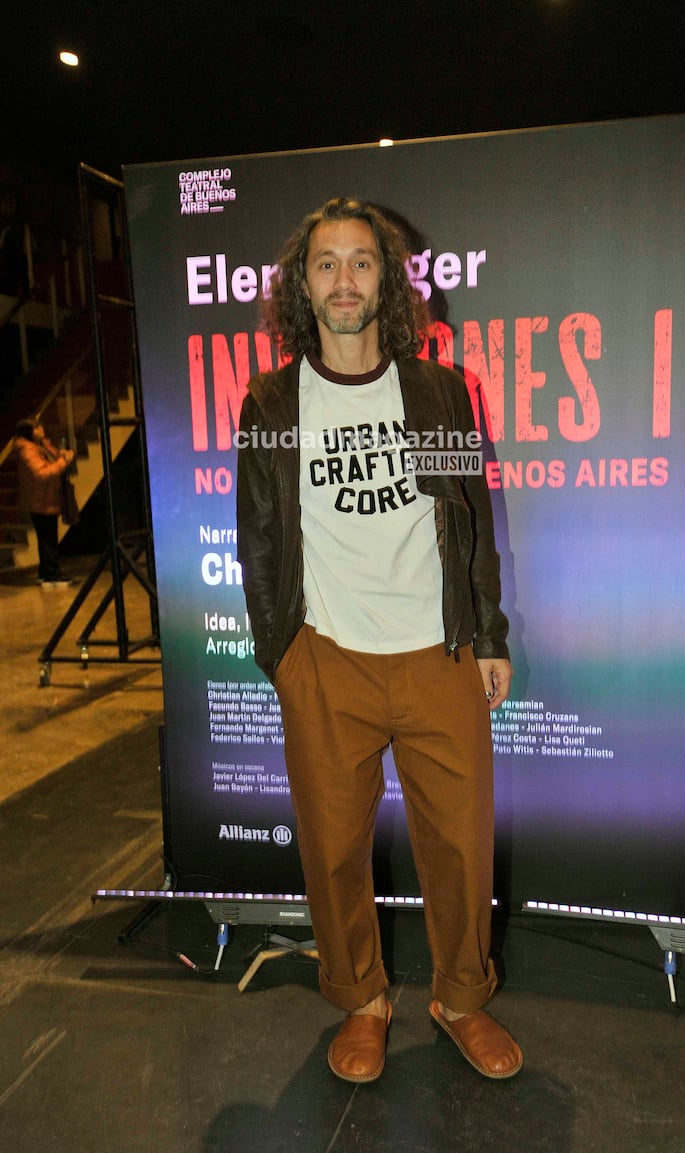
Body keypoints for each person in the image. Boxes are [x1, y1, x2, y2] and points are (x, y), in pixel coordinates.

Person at [236, 197, 522, 1083]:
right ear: (303, 285)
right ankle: (362, 1000)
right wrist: (281, 655)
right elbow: (259, 538)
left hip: (439, 653)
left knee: (461, 847)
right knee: (330, 850)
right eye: (325, 263)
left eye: (360, 261)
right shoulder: (272, 401)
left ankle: (460, 998)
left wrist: (487, 633)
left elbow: (470, 518)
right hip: (327, 657)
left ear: (385, 281)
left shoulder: (437, 391)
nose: (344, 280)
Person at [14, 416, 74, 586]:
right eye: (37, 428)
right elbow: (41, 473)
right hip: (40, 500)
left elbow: (53, 457)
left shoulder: (41, 445)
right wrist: (63, 462)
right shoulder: (28, 450)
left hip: (46, 499)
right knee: (47, 538)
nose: (41, 430)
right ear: (29, 432)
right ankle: (51, 574)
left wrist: (61, 455)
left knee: (48, 537)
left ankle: (46, 572)